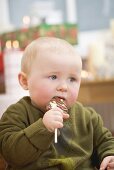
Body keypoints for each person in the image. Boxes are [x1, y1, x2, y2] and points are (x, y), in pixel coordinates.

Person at [0, 37, 114, 170]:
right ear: (25, 81)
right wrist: (43, 127)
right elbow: (10, 153)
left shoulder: (88, 117)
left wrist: (109, 155)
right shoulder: (16, 114)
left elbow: (105, 141)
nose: (64, 87)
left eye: (72, 79)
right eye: (53, 77)